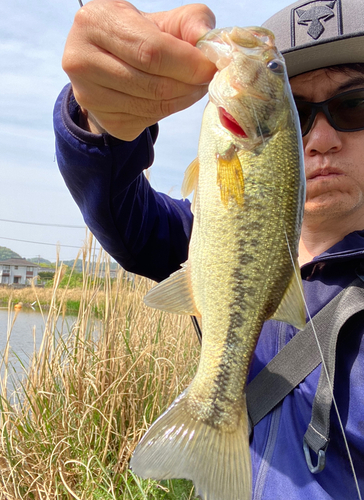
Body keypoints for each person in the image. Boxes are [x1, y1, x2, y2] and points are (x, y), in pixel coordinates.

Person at [53, 0, 364, 498]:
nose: (322, 138)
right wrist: (98, 115)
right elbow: (117, 209)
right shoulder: (194, 237)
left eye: (355, 105)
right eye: (299, 112)